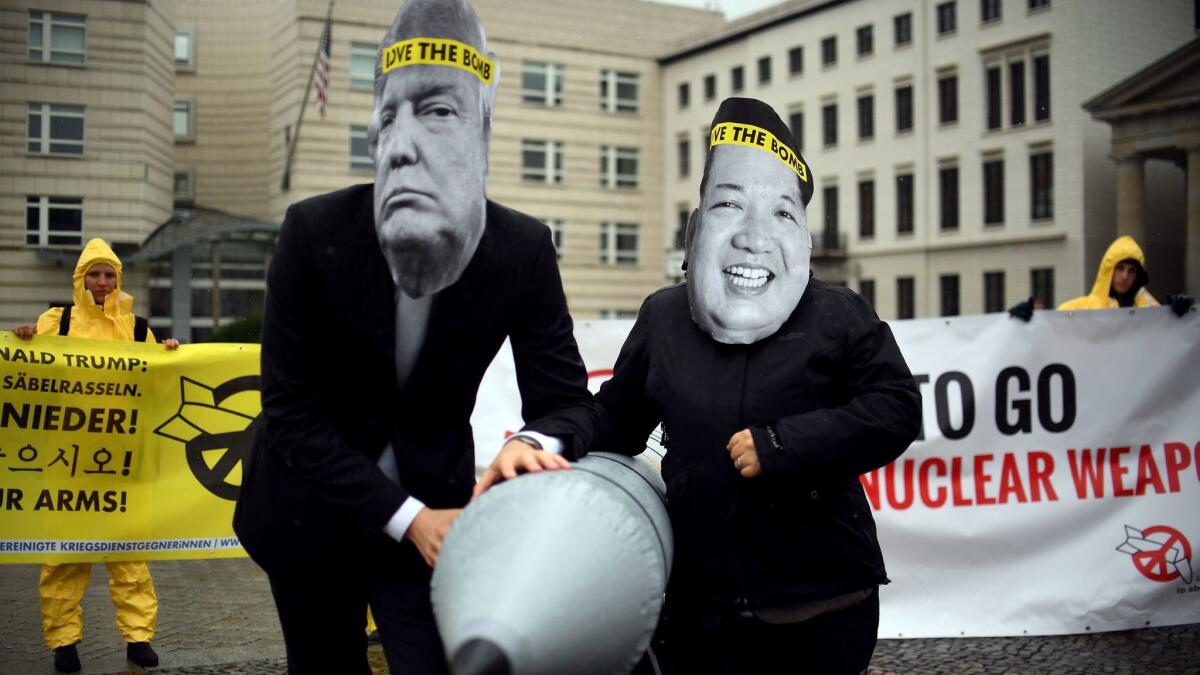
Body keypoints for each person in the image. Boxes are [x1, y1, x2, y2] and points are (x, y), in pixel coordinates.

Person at [483, 98, 923, 674]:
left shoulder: (838, 314)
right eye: (728, 205)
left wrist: (781, 445)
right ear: (697, 227)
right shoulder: (665, 316)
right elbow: (615, 415)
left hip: (819, 607)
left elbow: (895, 410)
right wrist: (541, 442)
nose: (753, 237)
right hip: (704, 614)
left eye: (782, 214)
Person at [231, 1, 591, 672]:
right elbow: (290, 414)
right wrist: (405, 515)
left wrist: (528, 445)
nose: (399, 144)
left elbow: (569, 401)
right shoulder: (313, 233)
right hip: (309, 513)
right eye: (388, 115)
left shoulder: (524, 249)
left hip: (435, 517)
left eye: (436, 111)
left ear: (484, 128)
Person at [12, 238, 180, 673]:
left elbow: (157, 390)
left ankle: (138, 638)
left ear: (118, 279)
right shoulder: (57, 321)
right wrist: (25, 340)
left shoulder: (139, 328)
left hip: (123, 462)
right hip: (67, 463)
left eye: (110, 275)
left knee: (129, 555)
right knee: (65, 557)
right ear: (80, 278)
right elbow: (28, 376)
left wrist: (172, 357)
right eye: (95, 274)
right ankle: (64, 643)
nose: (103, 282)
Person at [1009, 235, 1193, 320]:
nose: (1124, 276)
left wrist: (1181, 318)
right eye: (1119, 268)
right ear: (1108, 270)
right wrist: (1027, 322)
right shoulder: (1075, 309)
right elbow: (1049, 338)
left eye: (1132, 271)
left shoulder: (1154, 314)